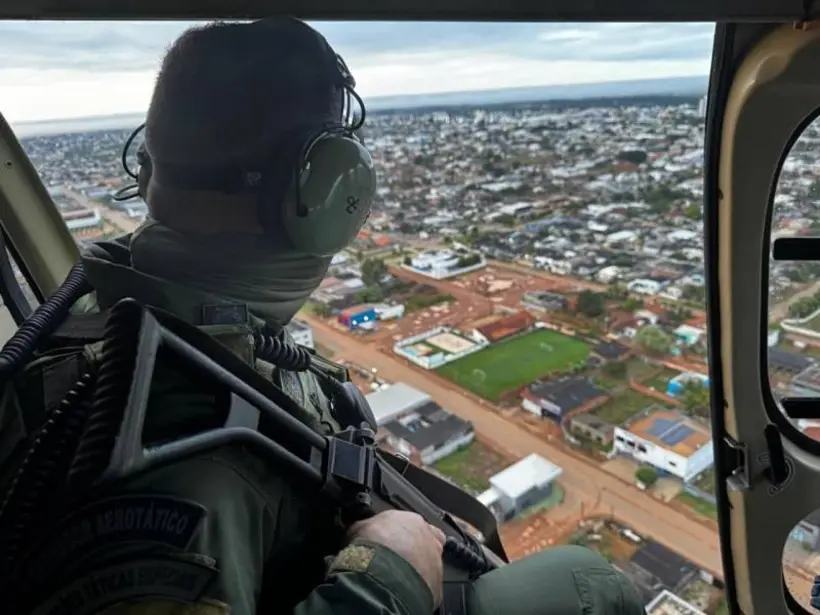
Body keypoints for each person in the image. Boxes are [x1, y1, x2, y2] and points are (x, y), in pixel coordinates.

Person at [14, 18, 647, 615]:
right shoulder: (188, 469)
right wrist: (388, 576)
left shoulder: (114, 319)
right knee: (588, 583)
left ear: (149, 166)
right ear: (324, 194)